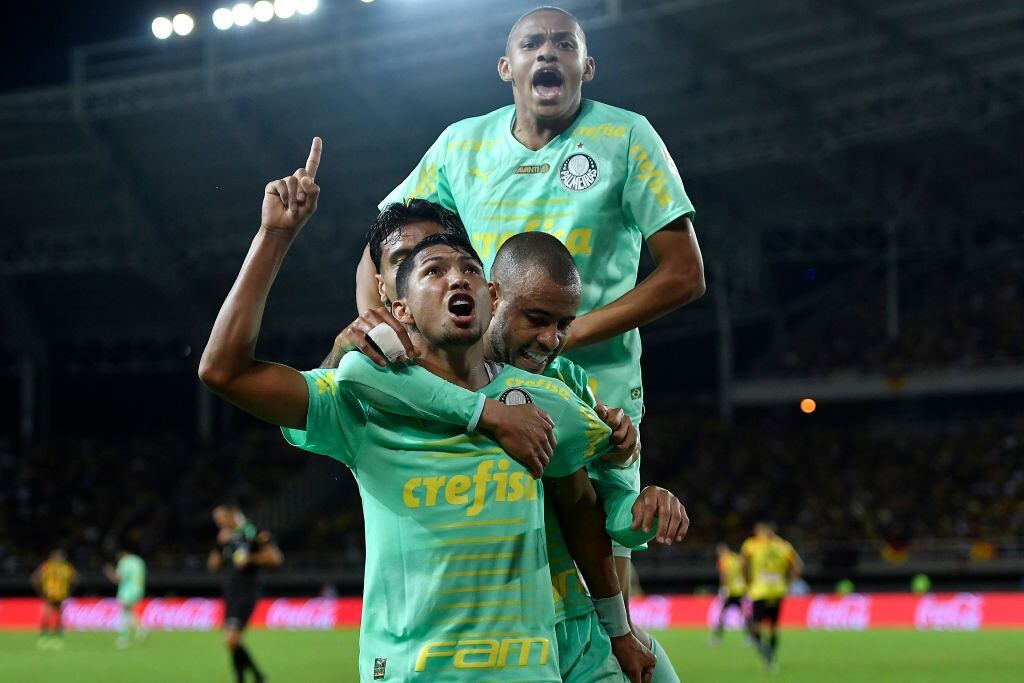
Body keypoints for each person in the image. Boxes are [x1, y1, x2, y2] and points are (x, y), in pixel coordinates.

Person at [198, 140, 655, 682]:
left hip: (552, 650)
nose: (449, 276)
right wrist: (275, 236)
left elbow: (591, 502)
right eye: (420, 265)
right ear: (392, 295)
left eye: (460, 262)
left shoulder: (544, 389)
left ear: (489, 290)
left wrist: (634, 474)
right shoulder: (360, 395)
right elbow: (224, 371)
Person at [366, 7, 706, 675]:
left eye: (564, 45)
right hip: (484, 388)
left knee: (597, 565)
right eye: (531, 43)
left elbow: (685, 272)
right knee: (500, 566)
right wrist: (386, 327)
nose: (547, 53)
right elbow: (382, 241)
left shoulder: (626, 136)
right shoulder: (462, 145)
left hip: (595, 397)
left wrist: (567, 334)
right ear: (507, 67)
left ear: (587, 67)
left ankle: (613, 645)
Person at [333, 218, 688, 681]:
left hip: (571, 623)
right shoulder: (405, 375)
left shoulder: (565, 385)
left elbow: (598, 508)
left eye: (563, 325)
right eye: (536, 319)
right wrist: (488, 413)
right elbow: (348, 376)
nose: (551, 340)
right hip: (475, 643)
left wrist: (644, 509)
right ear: (493, 298)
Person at [208, 504, 283, 683]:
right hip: (230, 595)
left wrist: (251, 558)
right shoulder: (226, 538)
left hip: (246, 594)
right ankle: (256, 676)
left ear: (232, 515)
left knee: (231, 640)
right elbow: (213, 566)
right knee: (233, 642)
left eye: (221, 519)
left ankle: (252, 676)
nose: (219, 523)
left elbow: (276, 558)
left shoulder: (253, 533)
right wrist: (220, 545)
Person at [741, 523, 803, 672]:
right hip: (778, 591)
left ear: (760, 531)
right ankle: (772, 657)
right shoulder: (784, 546)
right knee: (773, 627)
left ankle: (767, 655)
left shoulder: (751, 545)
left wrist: (747, 581)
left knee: (754, 626)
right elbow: (799, 567)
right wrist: (787, 582)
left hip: (759, 591)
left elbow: (744, 565)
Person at [31, 549, 76, 650]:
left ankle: (55, 634)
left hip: (60, 594)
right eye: (59, 556)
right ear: (53, 556)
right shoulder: (48, 566)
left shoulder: (65, 567)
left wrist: (69, 591)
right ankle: (45, 633)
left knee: (58, 614)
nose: (60, 558)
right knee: (47, 613)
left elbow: (75, 579)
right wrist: (41, 592)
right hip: (49, 594)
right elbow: (35, 578)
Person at [104, 547, 147, 648]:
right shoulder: (139, 561)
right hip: (139, 589)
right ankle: (141, 630)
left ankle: (124, 638)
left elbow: (118, 579)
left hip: (127, 590)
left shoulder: (124, 562)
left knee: (124, 613)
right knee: (129, 611)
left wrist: (109, 572)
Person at [709, 543, 745, 645]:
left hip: (730, 590)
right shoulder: (736, 558)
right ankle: (751, 637)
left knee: (722, 615)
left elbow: (724, 575)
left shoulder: (724, 560)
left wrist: (723, 588)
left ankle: (716, 638)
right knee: (744, 614)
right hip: (740, 589)